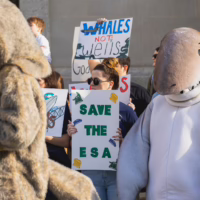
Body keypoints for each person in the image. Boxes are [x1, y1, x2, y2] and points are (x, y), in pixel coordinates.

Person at [68, 63, 138, 200]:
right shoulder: (80, 109)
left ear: (110, 84)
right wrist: (73, 135)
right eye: (90, 81)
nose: (92, 85)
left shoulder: (126, 111)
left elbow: (139, 145)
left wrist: (123, 142)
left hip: (118, 174)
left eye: (96, 81)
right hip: (91, 172)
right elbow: (73, 147)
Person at [38, 70, 71, 168]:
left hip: (55, 162)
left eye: (38, 81)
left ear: (48, 83)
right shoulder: (25, 103)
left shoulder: (60, 104)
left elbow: (65, 141)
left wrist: (41, 136)